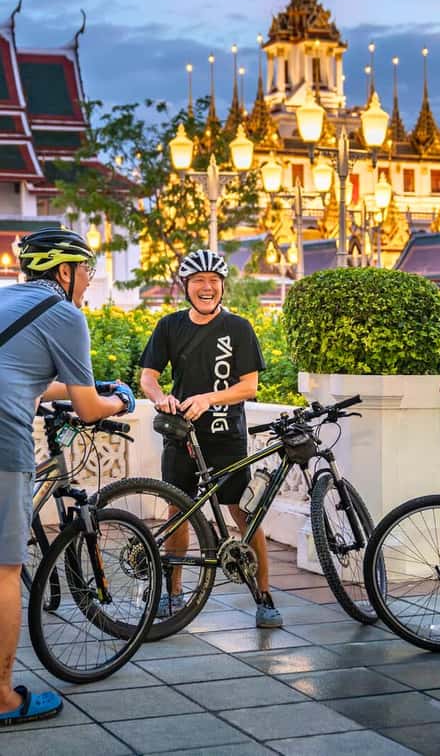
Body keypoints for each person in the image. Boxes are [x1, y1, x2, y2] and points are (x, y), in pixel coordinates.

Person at [0, 227, 134, 726]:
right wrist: (122, 400)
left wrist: (90, 386)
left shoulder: (5, 299)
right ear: (64, 271)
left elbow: (24, 370)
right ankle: (3, 699)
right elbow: (89, 408)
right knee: (4, 571)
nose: (89, 280)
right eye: (86, 270)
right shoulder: (64, 314)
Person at [139, 248, 282, 628]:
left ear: (222, 287)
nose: (207, 287)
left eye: (214, 281)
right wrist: (160, 397)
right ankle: (173, 592)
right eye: (198, 281)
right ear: (185, 286)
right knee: (178, 511)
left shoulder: (238, 327)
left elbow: (249, 387)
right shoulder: (169, 326)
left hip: (225, 435)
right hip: (182, 434)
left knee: (243, 513)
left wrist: (208, 398)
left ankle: (264, 595)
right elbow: (148, 377)